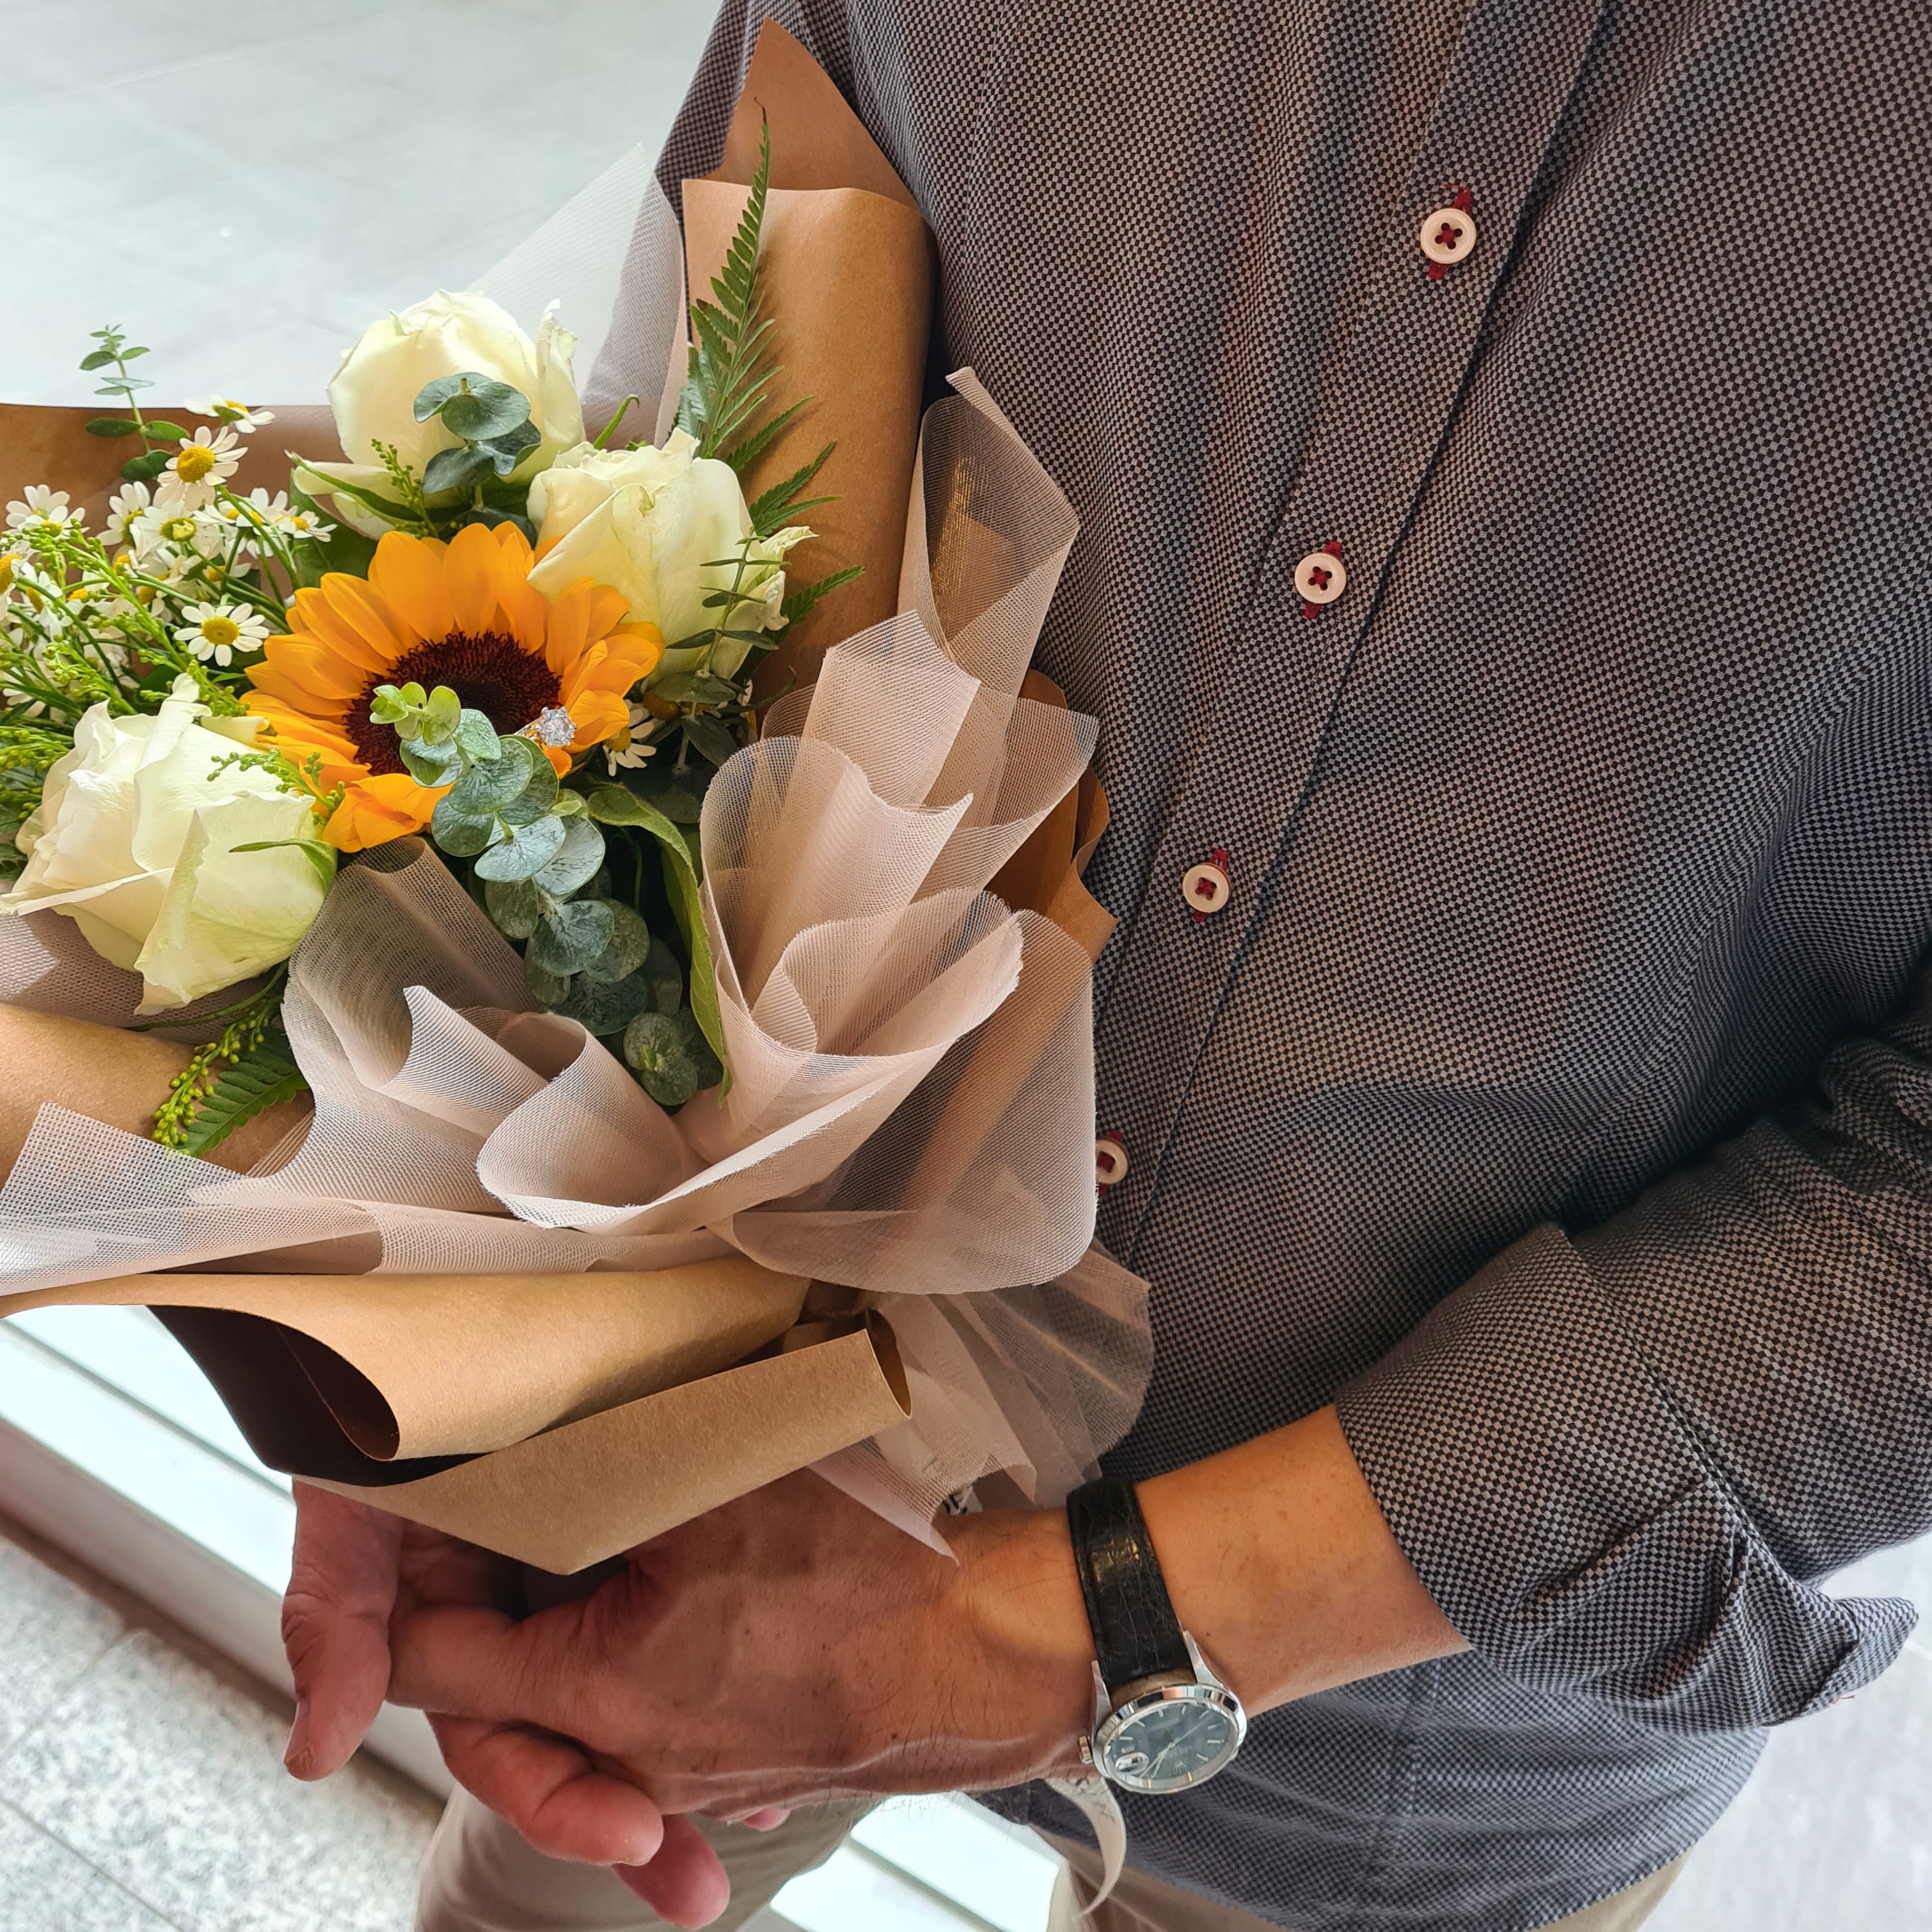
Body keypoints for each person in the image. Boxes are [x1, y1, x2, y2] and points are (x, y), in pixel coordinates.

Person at [280, 1, 1932, 1928]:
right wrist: (422, 1306)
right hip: (706, 1436)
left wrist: (1075, 1631)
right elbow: (684, 488)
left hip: (1408, 1746)